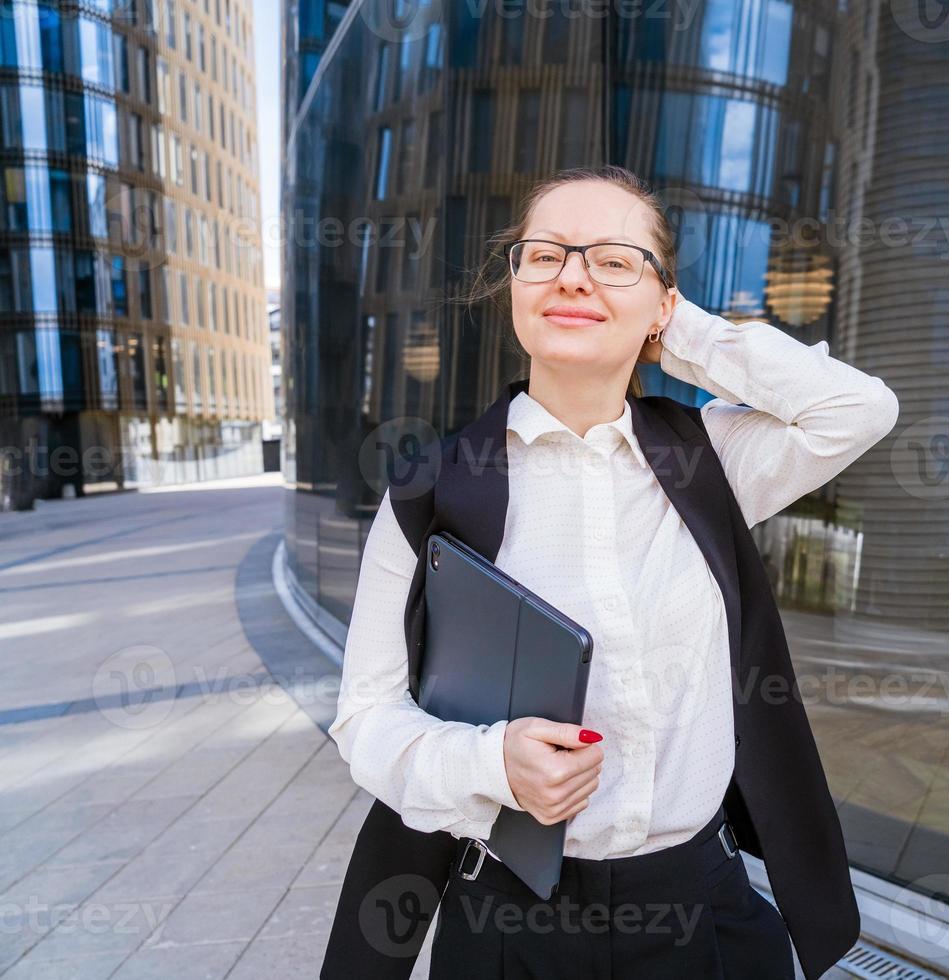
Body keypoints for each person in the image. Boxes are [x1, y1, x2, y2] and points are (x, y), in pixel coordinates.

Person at [324, 165, 900, 978]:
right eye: (546, 254)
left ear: (664, 303)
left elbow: (859, 409)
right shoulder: (431, 493)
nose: (572, 276)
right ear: (515, 282)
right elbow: (366, 721)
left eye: (613, 260)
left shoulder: (710, 460)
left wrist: (682, 332)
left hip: (698, 906)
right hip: (509, 923)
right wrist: (492, 763)